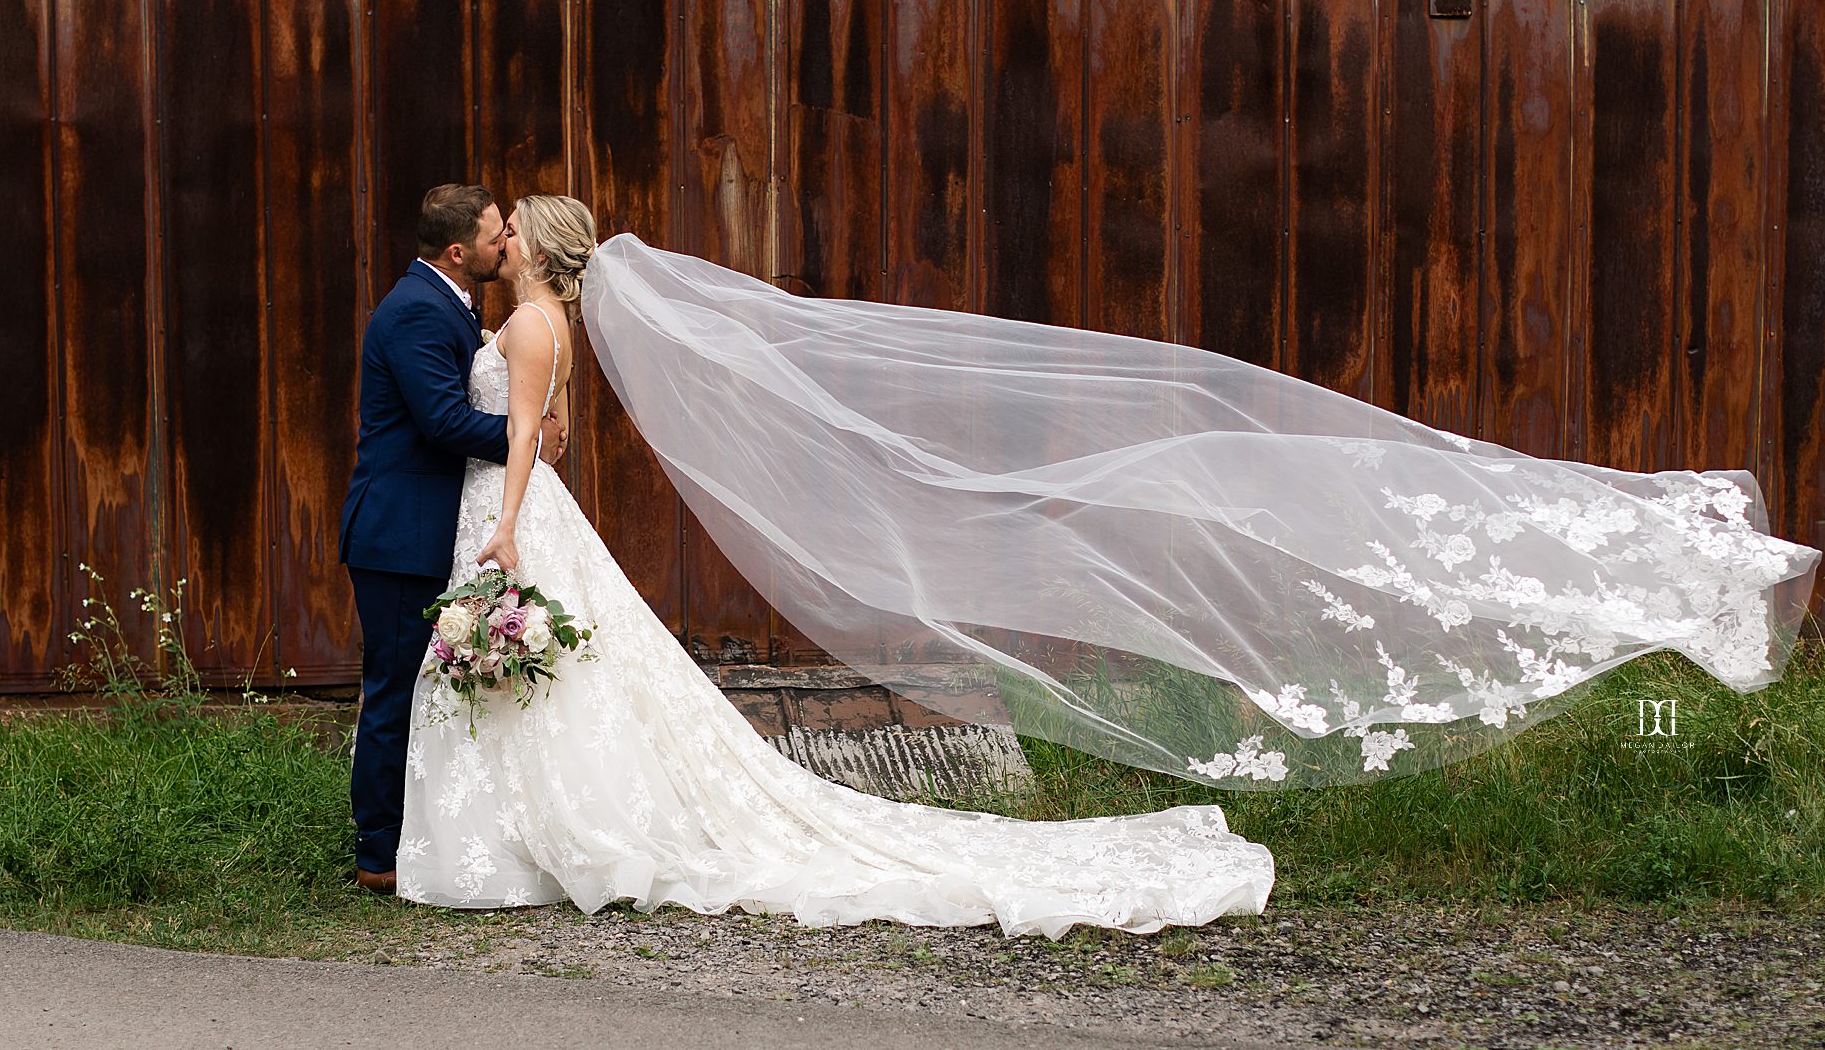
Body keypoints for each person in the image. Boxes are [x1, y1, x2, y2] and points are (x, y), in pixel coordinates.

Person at [395, 195, 1278, 936]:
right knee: (561, 674)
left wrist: (507, 525)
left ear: (539, 248)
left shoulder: (528, 326)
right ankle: (520, 833)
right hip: (517, 506)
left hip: (509, 512)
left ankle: (528, 838)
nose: (500, 238)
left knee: (543, 668)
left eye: (511, 230)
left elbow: (524, 438)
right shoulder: (542, 323)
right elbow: (553, 432)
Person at [338, 184, 564, 896]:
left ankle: (424, 832)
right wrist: (527, 437)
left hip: (430, 528)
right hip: (396, 534)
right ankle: (378, 854)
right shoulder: (412, 311)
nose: (507, 243)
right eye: (498, 235)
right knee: (395, 689)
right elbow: (440, 420)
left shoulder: (456, 303)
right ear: (461, 251)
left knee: (428, 688)